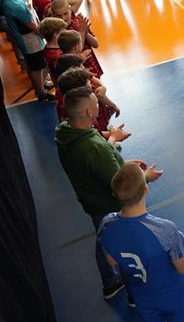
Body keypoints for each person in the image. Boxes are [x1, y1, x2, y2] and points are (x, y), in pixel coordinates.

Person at [56, 86, 162, 300]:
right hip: (108, 205)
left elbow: (97, 166)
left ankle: (110, 282)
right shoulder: (94, 148)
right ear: (89, 112)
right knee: (126, 248)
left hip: (91, 200)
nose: (99, 105)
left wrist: (120, 161)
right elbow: (122, 187)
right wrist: (146, 177)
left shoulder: (66, 133)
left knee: (103, 240)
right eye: (96, 103)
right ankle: (135, 295)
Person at [98, 164, 184, 322]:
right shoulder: (165, 229)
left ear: (115, 194)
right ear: (146, 190)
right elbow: (183, 268)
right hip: (173, 295)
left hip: (141, 295)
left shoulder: (106, 224)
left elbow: (112, 261)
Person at [0, 0, 54, 103]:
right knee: (37, 67)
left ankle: (41, 86)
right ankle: (41, 94)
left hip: (28, 39)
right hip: (30, 42)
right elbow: (32, 26)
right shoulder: (15, 6)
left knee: (38, 65)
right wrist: (46, 35)